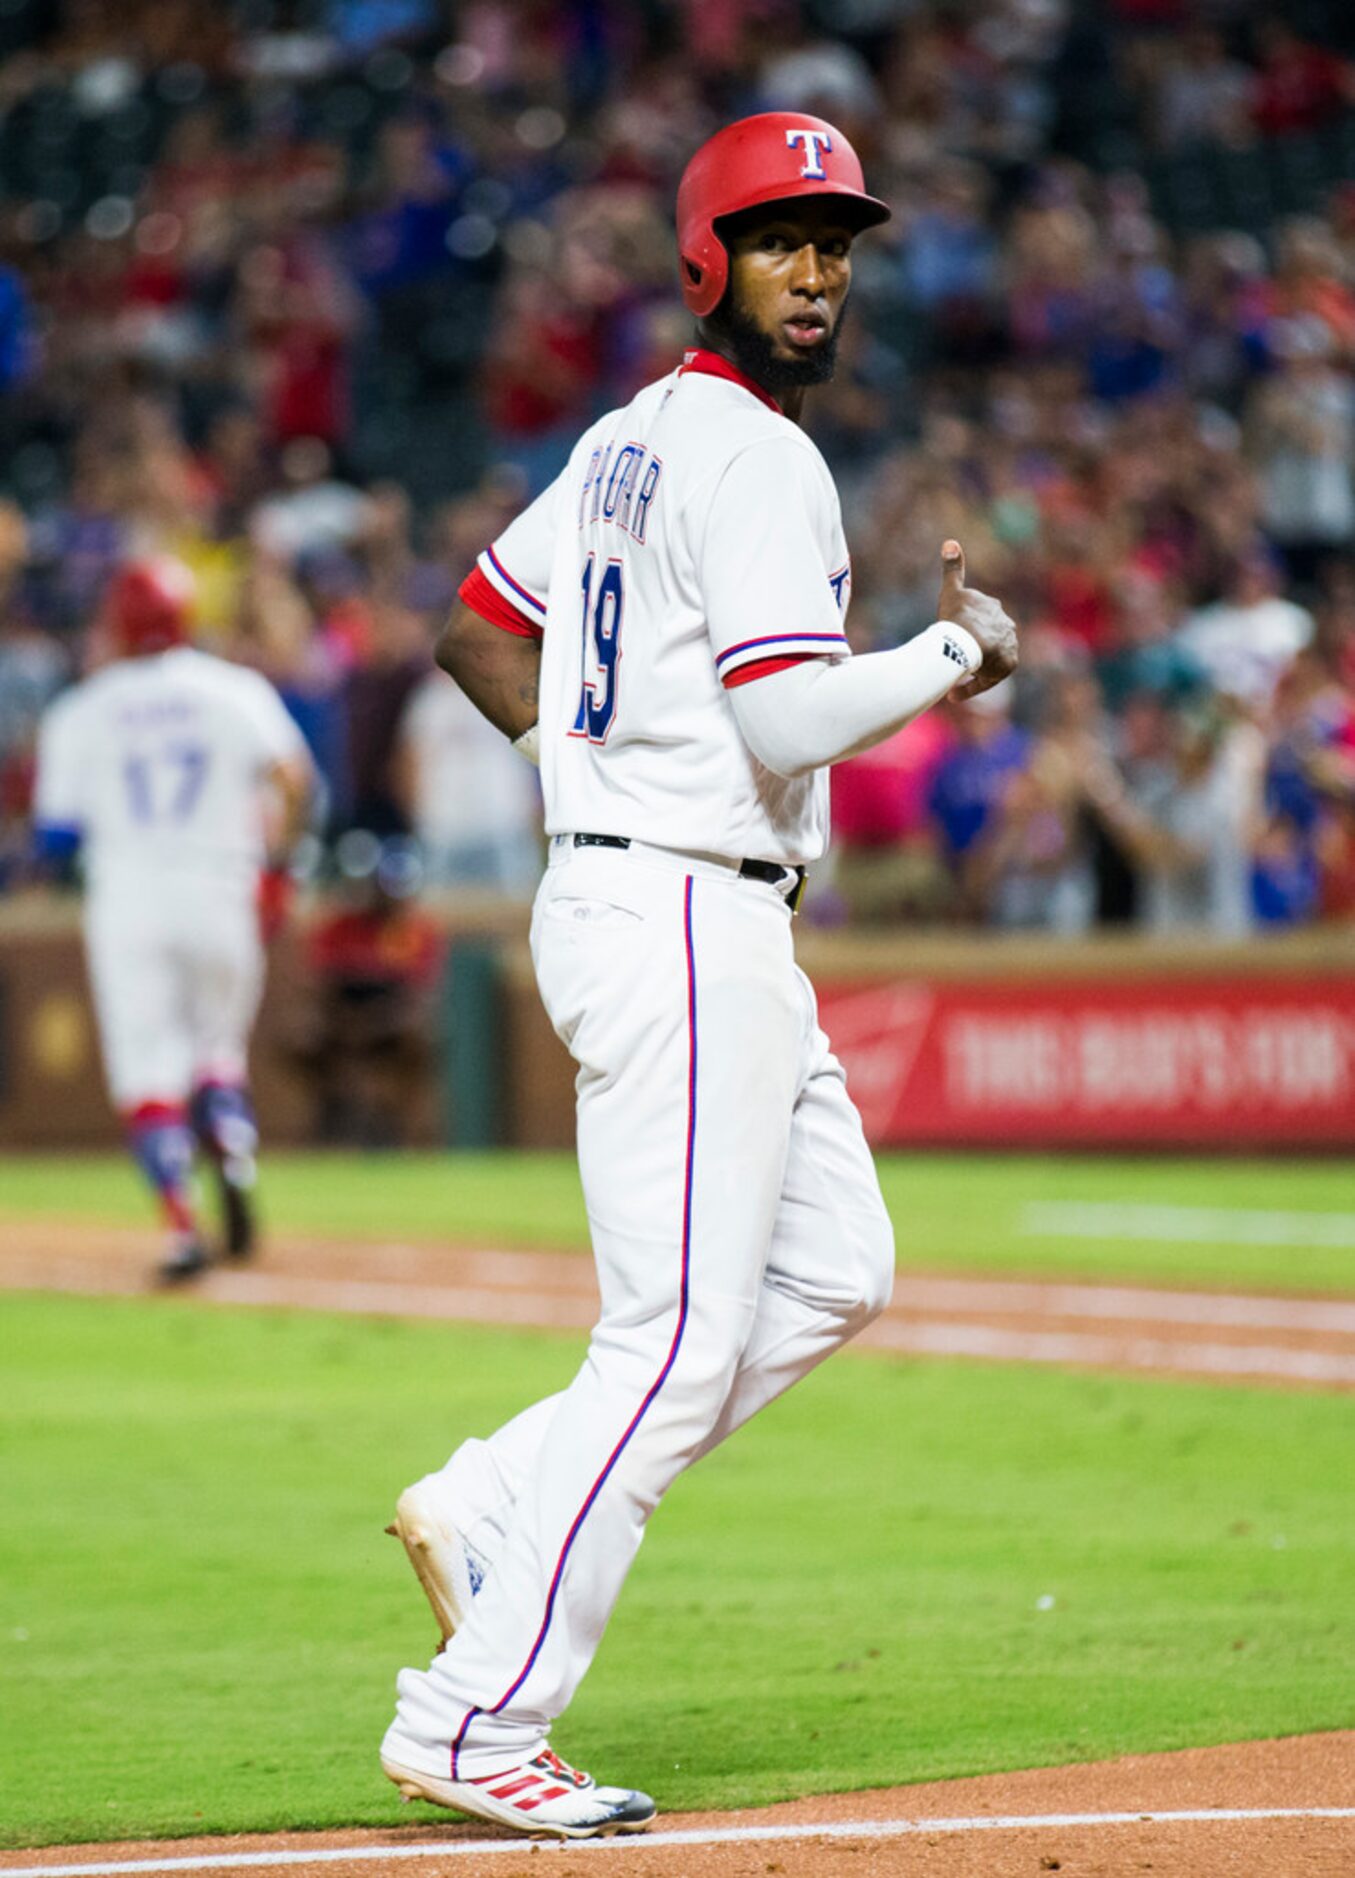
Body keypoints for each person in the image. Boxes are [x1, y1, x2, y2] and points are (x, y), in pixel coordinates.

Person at [378, 112, 1018, 1841]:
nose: (816, 266)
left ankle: (497, 1496)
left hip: (676, 901)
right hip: (675, 906)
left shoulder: (625, 443)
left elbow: (471, 624)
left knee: (836, 1269)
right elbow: (776, 714)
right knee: (670, 1347)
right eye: (780, 233)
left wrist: (574, 764)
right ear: (701, 256)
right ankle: (475, 1714)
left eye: (839, 237)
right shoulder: (748, 452)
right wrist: (952, 653)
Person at [32, 557, 313, 1282]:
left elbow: (56, 839)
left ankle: (184, 1230)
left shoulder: (82, 708)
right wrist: (281, 869)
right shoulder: (234, 690)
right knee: (214, 1051)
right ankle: (231, 1138)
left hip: (128, 896)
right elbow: (296, 779)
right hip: (223, 882)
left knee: (148, 1071)